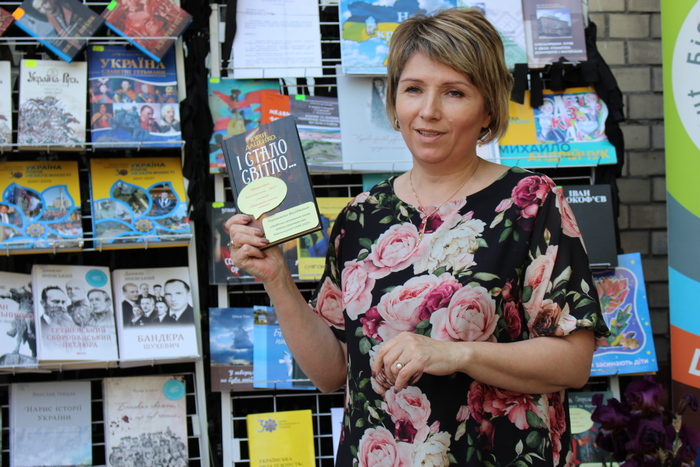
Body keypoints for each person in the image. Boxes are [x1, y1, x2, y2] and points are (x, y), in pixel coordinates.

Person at [224, 8, 609, 466]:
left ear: (488, 108)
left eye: (454, 92)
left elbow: (573, 363)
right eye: (413, 89)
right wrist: (276, 278)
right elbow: (331, 373)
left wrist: (456, 354)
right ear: (393, 103)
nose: (428, 111)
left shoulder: (532, 203)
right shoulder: (359, 216)